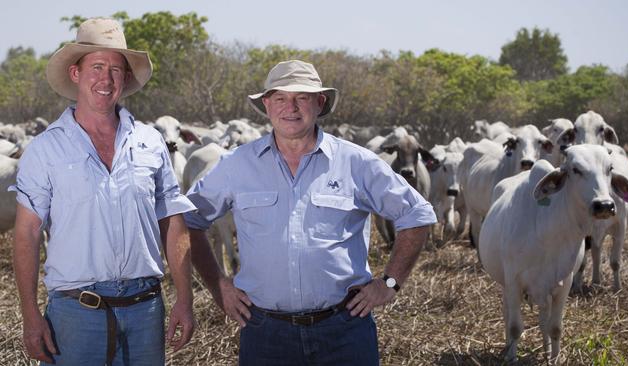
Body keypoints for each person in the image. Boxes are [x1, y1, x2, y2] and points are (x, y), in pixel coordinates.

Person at [185, 59, 436, 365]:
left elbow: (418, 214)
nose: (290, 107)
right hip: (265, 332)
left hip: (343, 329)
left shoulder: (355, 162)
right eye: (280, 98)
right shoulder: (237, 164)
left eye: (301, 97)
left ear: (319, 103)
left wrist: (390, 283)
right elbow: (188, 220)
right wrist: (217, 285)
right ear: (266, 105)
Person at [12, 18, 196, 365]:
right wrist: (30, 315)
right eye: (96, 66)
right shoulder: (46, 149)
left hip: (146, 308)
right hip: (76, 312)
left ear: (125, 78)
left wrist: (185, 299)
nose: (106, 78)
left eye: (116, 69)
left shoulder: (150, 142)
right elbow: (27, 232)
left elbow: (173, 222)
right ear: (76, 73)